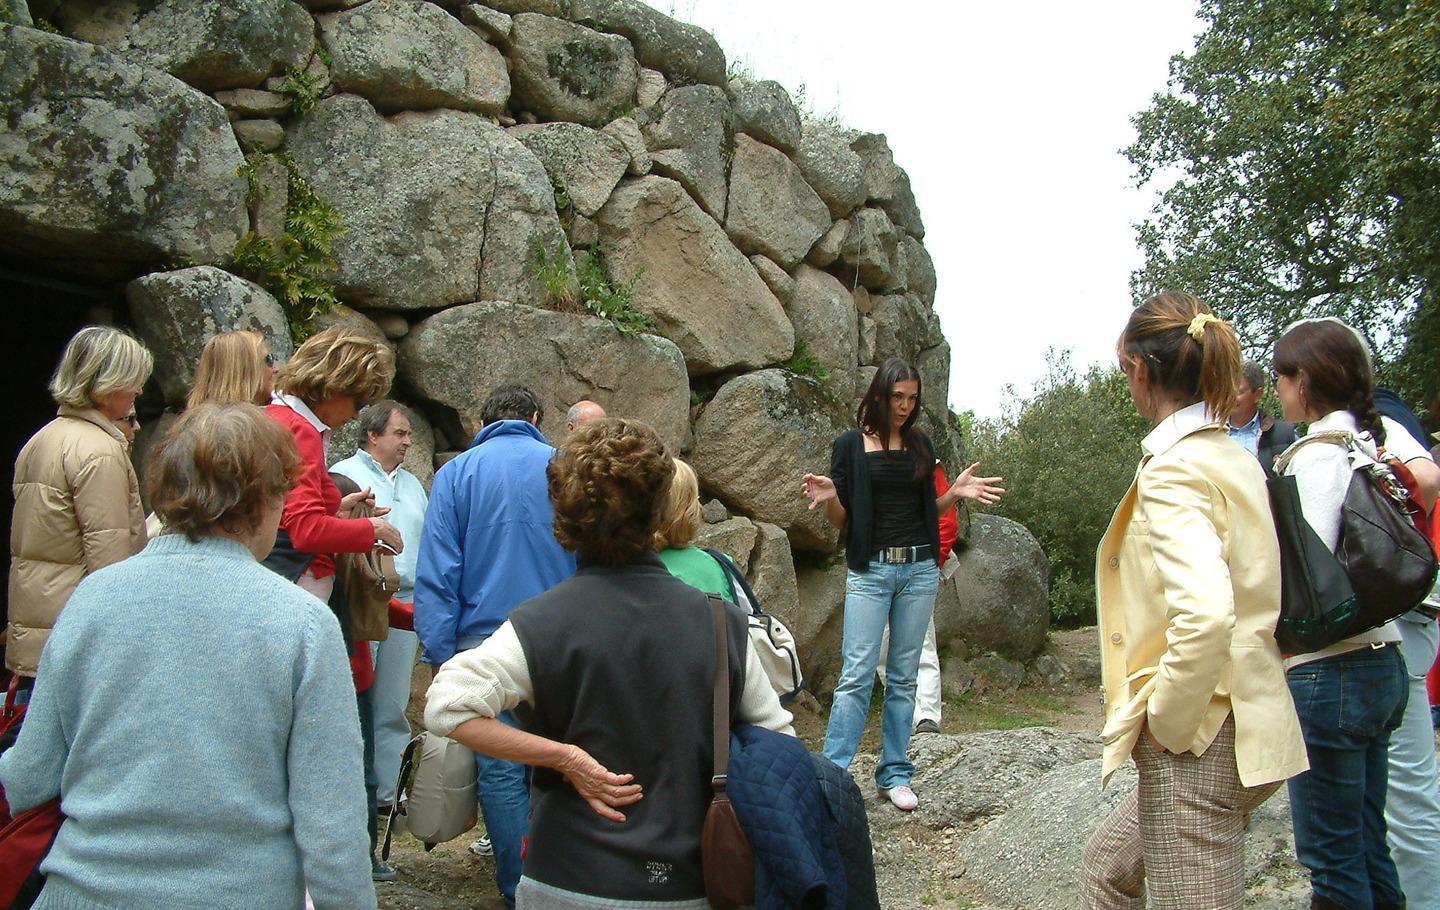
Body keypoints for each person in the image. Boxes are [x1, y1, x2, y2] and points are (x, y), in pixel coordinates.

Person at [0, 404, 375, 910]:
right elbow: (332, 825)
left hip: (82, 890)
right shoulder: (302, 624)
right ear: (263, 500)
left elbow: (28, 779)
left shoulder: (91, 599)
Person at [424, 418, 793, 909]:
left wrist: (564, 757)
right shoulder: (722, 622)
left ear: (564, 513)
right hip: (687, 883)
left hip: (563, 878)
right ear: (659, 509)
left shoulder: (539, 623)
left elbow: (447, 707)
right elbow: (779, 748)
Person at [1079, 293, 1308, 910]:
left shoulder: (1172, 469)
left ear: (1140, 371)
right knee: (1108, 868)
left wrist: (1170, 724)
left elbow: (1206, 614)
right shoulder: (1234, 455)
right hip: (1250, 712)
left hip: (1203, 731)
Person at [1273, 317, 1440, 910]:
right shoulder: (1375, 441)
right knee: (1371, 846)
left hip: (1330, 671)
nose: (1276, 389)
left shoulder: (1315, 457)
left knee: (1333, 861)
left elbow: (1310, 577)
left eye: (1281, 376)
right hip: (1387, 655)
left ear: (1306, 380)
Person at [801, 357, 1004, 811]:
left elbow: (925, 513)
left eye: (912, 398)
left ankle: (894, 772)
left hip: (918, 571)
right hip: (871, 571)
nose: (904, 406)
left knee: (904, 677)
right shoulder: (850, 446)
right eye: (897, 397)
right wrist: (832, 497)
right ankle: (834, 774)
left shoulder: (919, 444)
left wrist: (953, 495)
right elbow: (844, 521)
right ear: (879, 394)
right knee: (856, 675)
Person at [414, 383, 577, 907]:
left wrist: (442, 654)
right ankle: (563, 880)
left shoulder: (456, 474)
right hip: (559, 637)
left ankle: (517, 887)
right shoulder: (562, 466)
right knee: (561, 760)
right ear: (534, 416)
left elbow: (439, 570)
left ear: (483, 421)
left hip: (482, 644)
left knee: (502, 770)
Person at [7, 326, 152, 682]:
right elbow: (110, 564)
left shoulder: (42, 438)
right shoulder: (99, 451)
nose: (140, 390)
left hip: (40, 629)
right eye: (134, 379)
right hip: (78, 639)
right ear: (109, 383)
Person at [331, 403, 429, 822]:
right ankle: (354, 794)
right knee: (356, 698)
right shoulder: (344, 473)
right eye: (400, 433)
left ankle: (388, 794)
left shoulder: (413, 485)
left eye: (408, 435)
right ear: (373, 435)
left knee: (392, 700)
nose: (407, 442)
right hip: (361, 598)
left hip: (406, 600)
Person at [264, 326, 402, 601]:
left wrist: (337, 507)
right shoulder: (299, 430)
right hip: (290, 584)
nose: (355, 417)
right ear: (334, 387)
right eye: (359, 403)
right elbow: (304, 530)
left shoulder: (278, 417)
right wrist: (373, 530)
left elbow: (283, 509)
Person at [1225, 359, 1297, 476]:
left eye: (1238, 392)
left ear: (1258, 394)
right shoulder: (1211, 432)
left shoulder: (1283, 435)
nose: (1230, 397)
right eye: (1227, 390)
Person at [188, 329, 278, 408]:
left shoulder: (197, 422)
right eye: (268, 360)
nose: (276, 369)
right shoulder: (237, 425)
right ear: (244, 372)